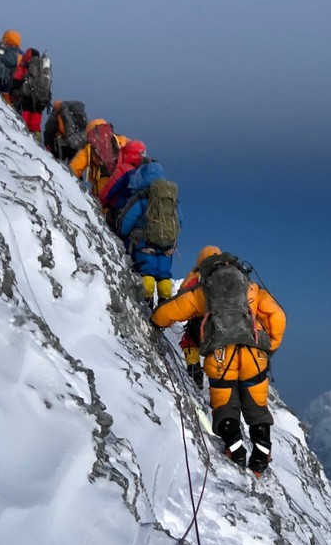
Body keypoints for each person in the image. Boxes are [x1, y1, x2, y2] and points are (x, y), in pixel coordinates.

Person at [151, 251, 286, 475]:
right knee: (257, 409)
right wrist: (269, 346)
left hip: (221, 356)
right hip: (253, 355)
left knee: (225, 407)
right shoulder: (251, 287)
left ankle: (235, 450)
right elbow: (278, 316)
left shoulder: (205, 290)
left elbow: (173, 310)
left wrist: (155, 320)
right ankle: (261, 458)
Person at [117, 160, 181, 308]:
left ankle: (146, 304)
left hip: (145, 244)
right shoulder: (172, 199)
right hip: (167, 246)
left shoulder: (142, 197)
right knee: (164, 273)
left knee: (147, 271)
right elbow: (180, 221)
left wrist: (123, 233)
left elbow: (128, 219)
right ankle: (165, 304)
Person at [176, 245, 223, 389]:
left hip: (198, 322)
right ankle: (219, 387)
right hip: (220, 323)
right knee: (218, 355)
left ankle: (195, 376)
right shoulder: (227, 274)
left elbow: (182, 293)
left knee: (190, 343)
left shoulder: (197, 274)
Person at [69, 119, 128, 200]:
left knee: (105, 209)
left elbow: (74, 167)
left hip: (102, 188)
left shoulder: (89, 147)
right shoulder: (121, 139)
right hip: (122, 181)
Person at [99, 139, 147, 228]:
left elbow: (108, 190)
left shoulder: (124, 169)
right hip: (140, 217)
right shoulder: (145, 172)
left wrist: (98, 202)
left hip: (120, 211)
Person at [9, 48, 52, 137]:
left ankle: (22, 141)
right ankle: (36, 144)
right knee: (35, 126)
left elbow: (16, 79)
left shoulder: (26, 65)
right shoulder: (42, 68)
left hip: (26, 98)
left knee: (24, 123)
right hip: (40, 101)